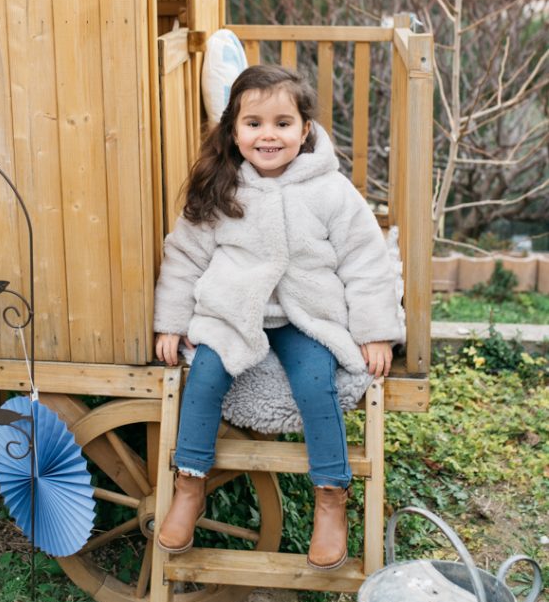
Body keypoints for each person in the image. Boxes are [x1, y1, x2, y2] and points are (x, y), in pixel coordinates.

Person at [153, 65, 405, 570]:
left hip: (304, 315)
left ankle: (331, 499)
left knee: (317, 384)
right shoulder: (221, 188)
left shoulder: (330, 190)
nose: (268, 135)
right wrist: (172, 321)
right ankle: (189, 483)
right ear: (234, 130)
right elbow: (184, 257)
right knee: (203, 376)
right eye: (254, 124)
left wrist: (376, 332)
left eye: (283, 123)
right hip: (233, 312)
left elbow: (366, 259)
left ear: (305, 130)